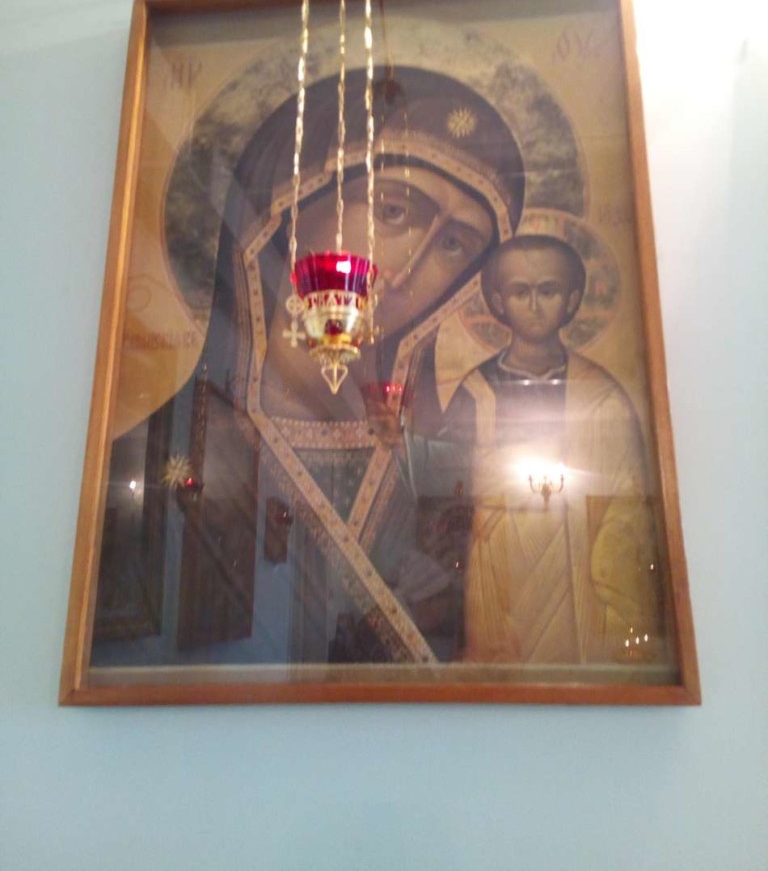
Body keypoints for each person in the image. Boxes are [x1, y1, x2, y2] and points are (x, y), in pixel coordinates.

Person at [92, 65, 527, 668]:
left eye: (454, 245)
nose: (405, 272)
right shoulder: (159, 449)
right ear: (288, 205)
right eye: (393, 211)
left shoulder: (431, 466)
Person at [449, 235, 662, 666]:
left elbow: (627, 502)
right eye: (520, 292)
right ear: (498, 301)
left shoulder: (602, 396)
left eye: (547, 291)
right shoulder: (474, 392)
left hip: (576, 572)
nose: (534, 306)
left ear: (572, 300)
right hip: (498, 576)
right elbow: (448, 496)